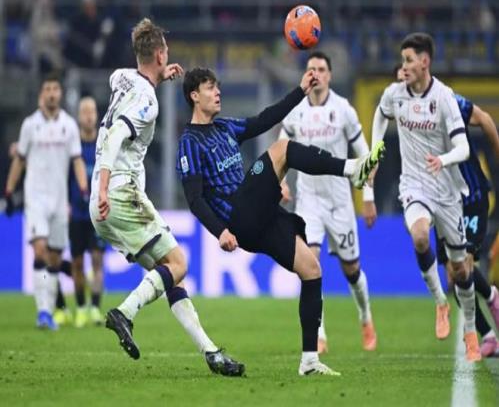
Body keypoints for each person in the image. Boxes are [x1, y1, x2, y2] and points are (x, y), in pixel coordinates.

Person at [176, 67, 385, 376]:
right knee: (283, 149)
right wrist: (220, 232)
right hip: (238, 216)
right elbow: (195, 200)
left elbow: (265, 119)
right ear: (194, 96)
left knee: (311, 270)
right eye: (210, 88)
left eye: (217, 86)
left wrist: (300, 91)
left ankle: (309, 361)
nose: (217, 92)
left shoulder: (225, 127)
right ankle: (352, 170)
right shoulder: (190, 142)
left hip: (260, 216)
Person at [89, 18, 244, 377]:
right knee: (179, 263)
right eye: (166, 53)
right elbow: (115, 136)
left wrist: (160, 72)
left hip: (102, 201)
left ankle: (211, 353)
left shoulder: (121, 78)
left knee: (171, 274)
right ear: (160, 55)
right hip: (118, 192)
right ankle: (125, 313)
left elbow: (124, 77)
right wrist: (105, 188)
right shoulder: (147, 101)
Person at [371, 32, 480, 361]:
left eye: (408, 60)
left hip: (447, 191)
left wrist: (443, 160)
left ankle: (471, 329)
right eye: (402, 60)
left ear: (425, 62)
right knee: (420, 237)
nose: (403, 66)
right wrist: (376, 149)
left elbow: (463, 147)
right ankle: (440, 303)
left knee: (461, 270)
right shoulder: (395, 94)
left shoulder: (444, 97)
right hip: (414, 185)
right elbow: (381, 113)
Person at [394, 63, 499, 357]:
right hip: (441, 200)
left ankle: (492, 298)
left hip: (471, 195)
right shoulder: (401, 108)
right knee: (454, 276)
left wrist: (498, 151)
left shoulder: (446, 100)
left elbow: (483, 118)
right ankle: (488, 335)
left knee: (463, 264)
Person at [279, 51, 377, 354]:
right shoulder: (295, 112)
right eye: (311, 69)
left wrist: (368, 197)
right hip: (308, 201)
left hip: (339, 202)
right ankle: (319, 332)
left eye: (321, 69)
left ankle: (365, 316)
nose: (317, 74)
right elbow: (280, 149)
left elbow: (366, 157)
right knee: (310, 264)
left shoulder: (343, 109)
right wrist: (281, 181)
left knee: (352, 269)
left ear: (330, 75)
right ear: (306, 75)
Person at [4, 73, 88, 330]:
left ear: (60, 93)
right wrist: (9, 190)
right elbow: (19, 159)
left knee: (54, 258)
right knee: (39, 250)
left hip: (59, 200)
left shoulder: (69, 126)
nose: (52, 93)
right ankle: (42, 311)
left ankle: (49, 311)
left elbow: (77, 160)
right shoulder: (30, 125)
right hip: (36, 198)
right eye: (47, 89)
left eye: (55, 89)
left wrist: (84, 188)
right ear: (42, 94)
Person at [69, 97, 107, 328]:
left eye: (92, 111)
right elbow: (65, 178)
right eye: (84, 111)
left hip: (98, 213)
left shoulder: (104, 145)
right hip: (76, 213)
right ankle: (81, 308)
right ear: (79, 116)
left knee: (97, 260)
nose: (89, 115)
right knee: (77, 263)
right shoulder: (72, 147)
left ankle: (94, 308)